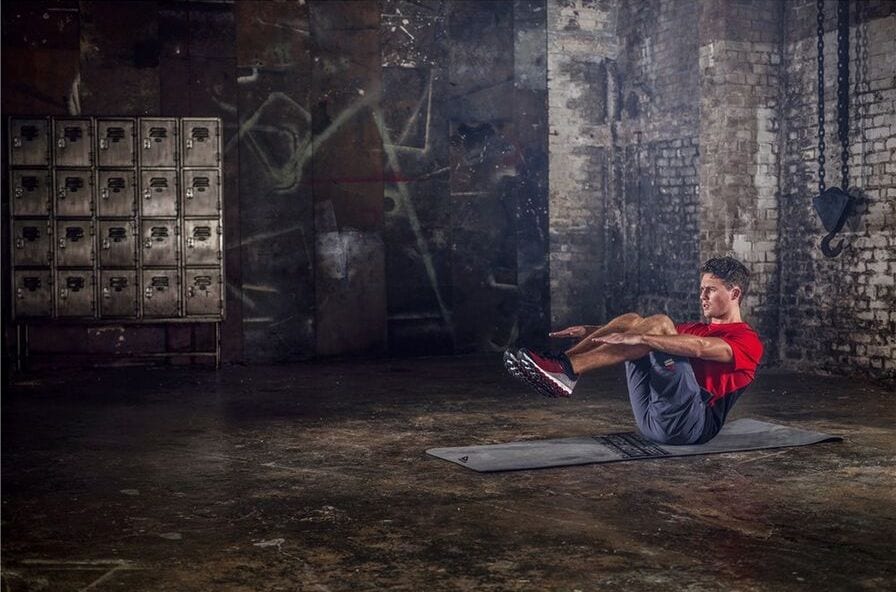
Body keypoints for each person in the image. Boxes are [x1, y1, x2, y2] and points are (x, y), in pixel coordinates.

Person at [504, 256, 764, 445]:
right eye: (701, 289)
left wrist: (640, 336)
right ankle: (562, 366)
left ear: (735, 293)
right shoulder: (694, 328)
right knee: (631, 320)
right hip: (651, 419)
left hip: (691, 426)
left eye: (711, 290)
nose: (702, 296)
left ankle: (567, 370)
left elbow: (699, 348)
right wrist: (594, 330)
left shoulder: (747, 340)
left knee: (660, 325)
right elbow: (642, 332)